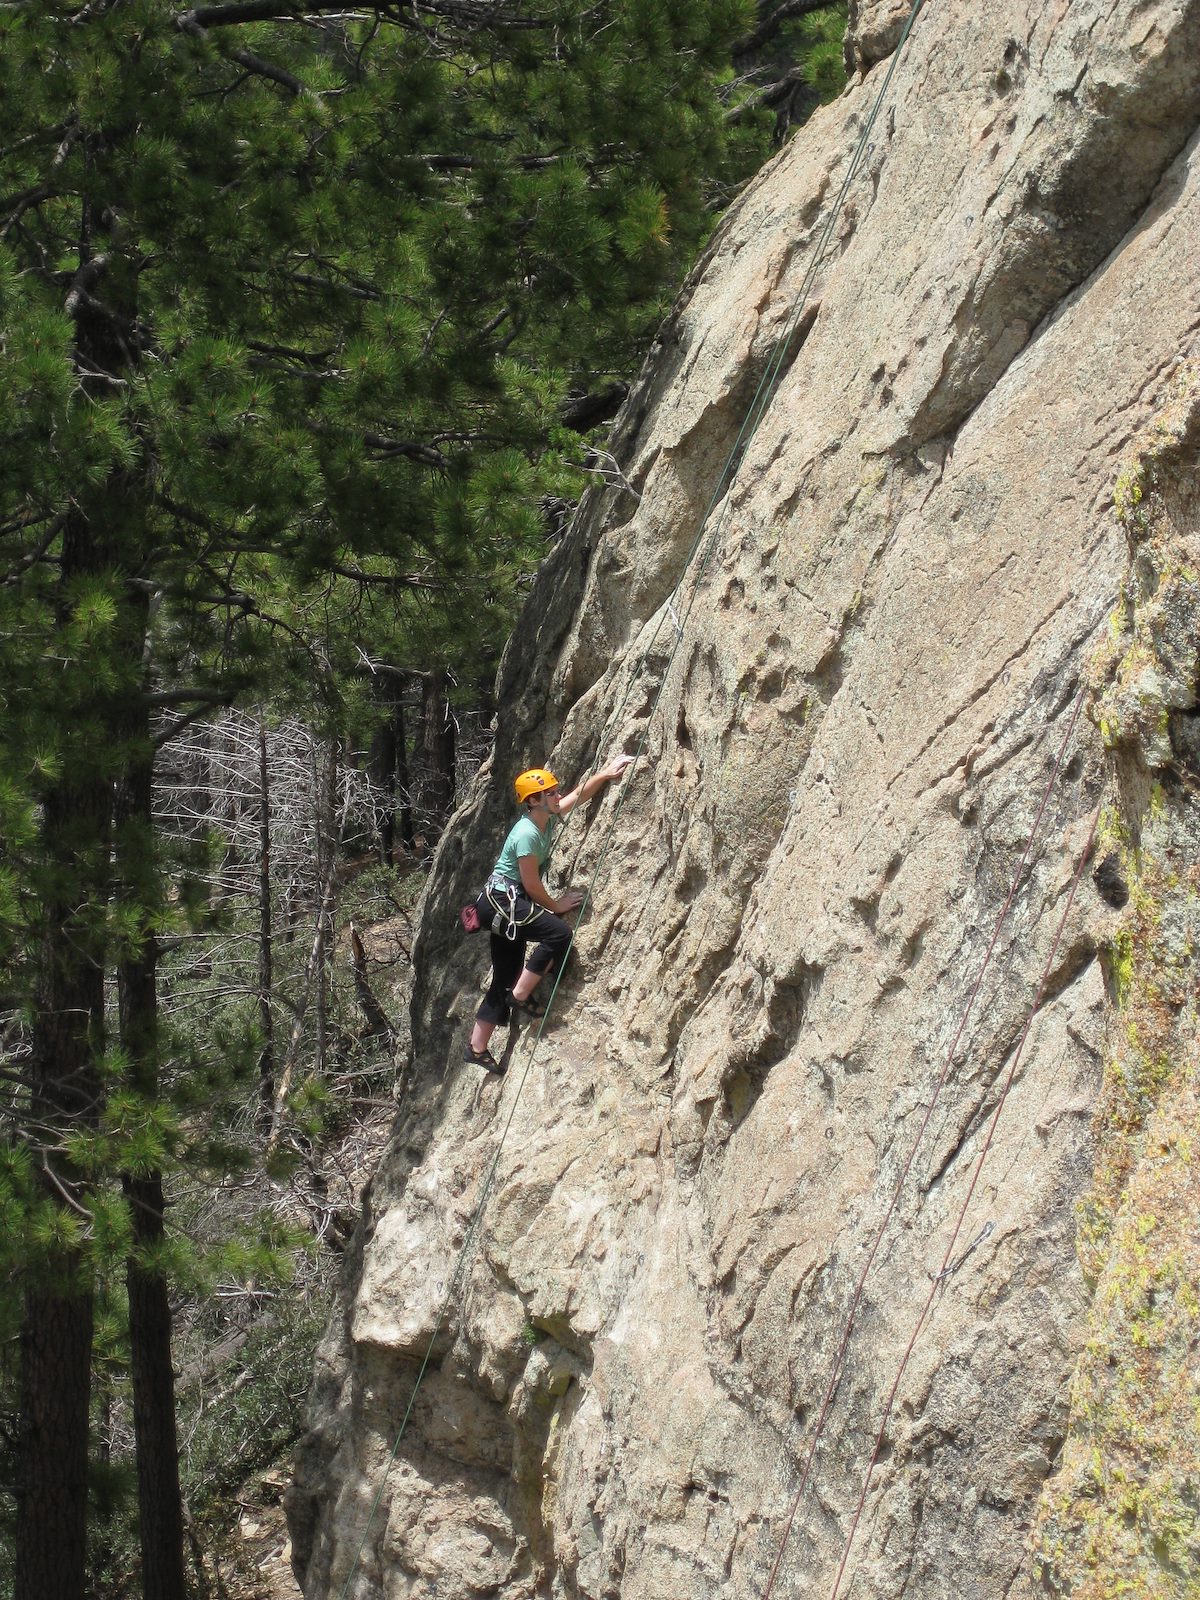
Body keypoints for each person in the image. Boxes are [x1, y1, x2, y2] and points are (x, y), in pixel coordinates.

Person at [464, 753, 633, 1072]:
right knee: (558, 933)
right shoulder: (527, 833)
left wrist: (605, 774)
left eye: (556, 791)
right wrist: (557, 905)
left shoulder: (544, 816)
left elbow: (577, 796)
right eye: (551, 792)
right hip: (505, 900)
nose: (558, 795)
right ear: (535, 799)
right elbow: (530, 884)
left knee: (503, 973)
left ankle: (476, 1048)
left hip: (498, 903)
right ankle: (520, 995)